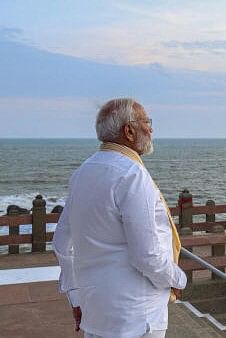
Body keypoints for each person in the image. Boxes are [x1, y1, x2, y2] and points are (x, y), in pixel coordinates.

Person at [53, 98, 187, 338]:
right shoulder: (132, 175)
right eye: (147, 122)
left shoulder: (83, 172)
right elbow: (147, 256)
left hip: (96, 311)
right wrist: (178, 278)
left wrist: (75, 294)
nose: (151, 129)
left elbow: (62, 242)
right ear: (129, 130)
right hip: (136, 316)